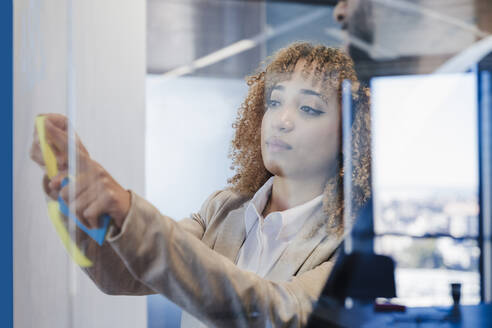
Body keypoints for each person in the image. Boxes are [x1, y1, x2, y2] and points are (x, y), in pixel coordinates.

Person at [30, 42, 371, 327]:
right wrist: (70, 192)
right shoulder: (225, 209)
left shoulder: (353, 243)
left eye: (309, 108)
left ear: (348, 136)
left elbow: (277, 311)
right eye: (275, 101)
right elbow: (121, 274)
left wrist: (128, 208)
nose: (282, 121)